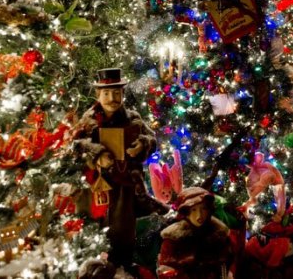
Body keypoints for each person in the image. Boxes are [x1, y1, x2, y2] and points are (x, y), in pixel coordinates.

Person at [72, 68, 159, 269]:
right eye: (107, 93)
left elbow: (152, 139)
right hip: (97, 186)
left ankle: (122, 267)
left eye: (117, 93)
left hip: (125, 187)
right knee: (96, 228)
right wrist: (96, 154)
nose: (112, 98)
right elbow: (75, 146)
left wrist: (143, 144)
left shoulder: (133, 118)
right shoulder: (89, 121)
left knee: (123, 231)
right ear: (98, 95)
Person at [157, 187, 233, 279]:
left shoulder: (219, 235)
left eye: (203, 209)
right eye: (193, 210)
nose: (199, 215)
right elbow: (166, 270)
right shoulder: (173, 239)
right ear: (186, 212)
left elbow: (228, 262)